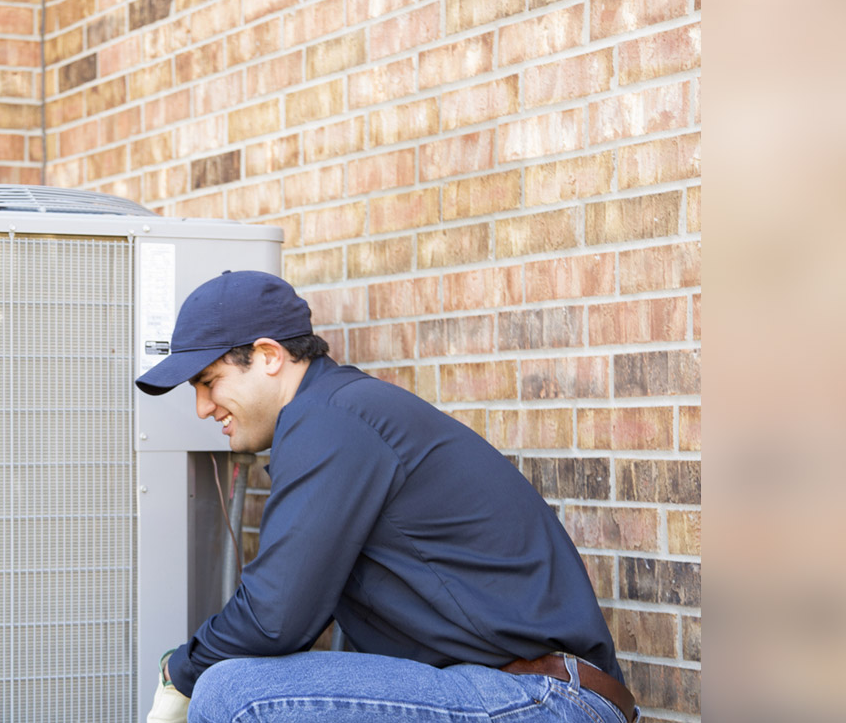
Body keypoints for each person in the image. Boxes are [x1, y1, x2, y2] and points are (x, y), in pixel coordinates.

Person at [134, 271, 638, 723]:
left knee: (233, 692)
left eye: (209, 382)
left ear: (268, 356)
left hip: (546, 699)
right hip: (506, 689)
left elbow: (274, 619)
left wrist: (180, 672)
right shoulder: (338, 413)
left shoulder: (329, 422)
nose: (202, 408)